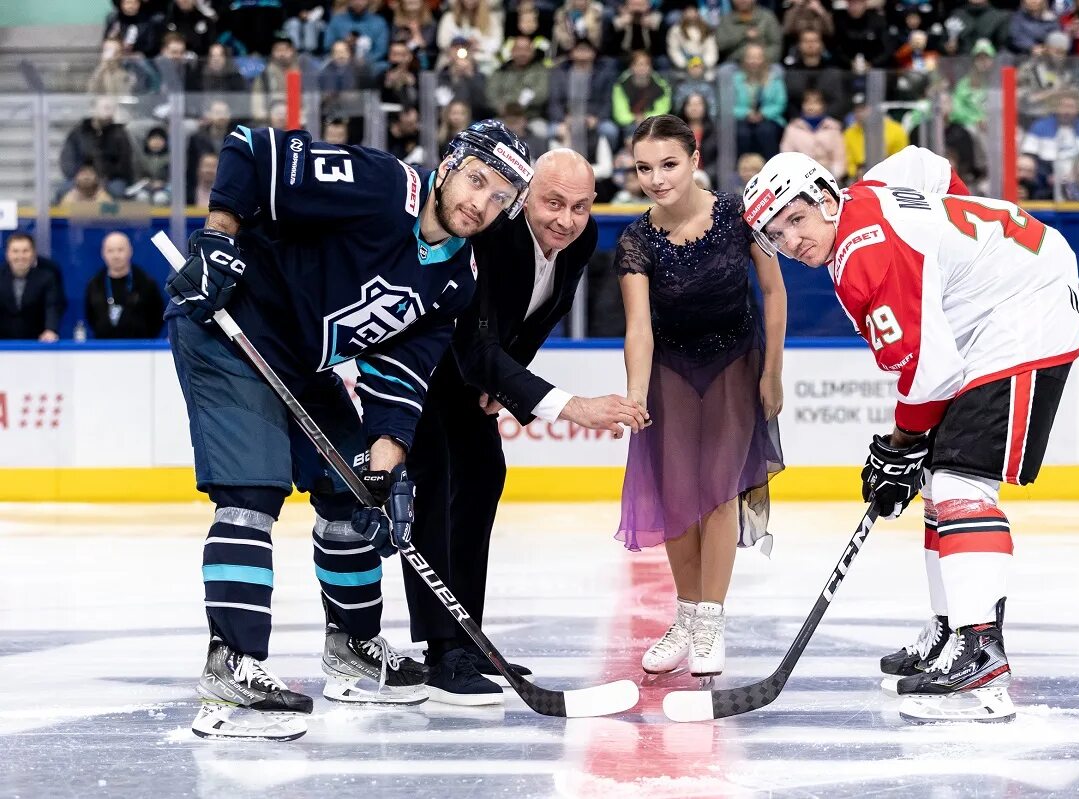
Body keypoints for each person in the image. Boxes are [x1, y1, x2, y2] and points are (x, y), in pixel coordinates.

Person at [163, 119, 535, 740]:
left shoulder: (455, 279)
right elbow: (250, 149)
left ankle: (353, 651)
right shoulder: (382, 185)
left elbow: (401, 374)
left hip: (302, 359)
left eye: (500, 197)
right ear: (449, 165)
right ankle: (232, 670)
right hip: (228, 326)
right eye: (476, 180)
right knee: (253, 494)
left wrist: (385, 465)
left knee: (351, 491)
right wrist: (216, 239)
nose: (481, 203)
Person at [742, 145, 1079, 722]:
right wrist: (963, 241)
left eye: (796, 218)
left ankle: (979, 645)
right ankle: (951, 628)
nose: (792, 241)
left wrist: (898, 447)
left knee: (962, 481)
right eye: (776, 235)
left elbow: (927, 374)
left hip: (1024, 309)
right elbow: (922, 162)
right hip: (999, 303)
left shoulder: (865, 256)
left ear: (827, 199)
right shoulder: (868, 193)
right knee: (941, 483)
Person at [406, 150, 649, 704]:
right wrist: (567, 405)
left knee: (482, 479)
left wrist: (507, 381)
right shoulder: (493, 237)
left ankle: (467, 640)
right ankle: (443, 653)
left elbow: (538, 316)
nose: (565, 219)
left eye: (581, 207)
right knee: (439, 489)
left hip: (476, 375)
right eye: (553, 202)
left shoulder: (580, 242)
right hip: (424, 367)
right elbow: (471, 339)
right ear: (522, 196)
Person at [615, 114, 786, 679]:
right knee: (675, 495)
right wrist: (636, 392)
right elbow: (638, 326)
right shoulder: (636, 240)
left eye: (669, 164)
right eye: (644, 168)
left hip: (736, 360)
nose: (657, 178)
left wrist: (773, 373)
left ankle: (709, 621)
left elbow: (773, 289)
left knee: (718, 490)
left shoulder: (740, 214)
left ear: (694, 158)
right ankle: (686, 618)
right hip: (670, 367)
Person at [84, 232, 165, 339]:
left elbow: (157, 316)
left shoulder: (146, 282)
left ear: (130, 251)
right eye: (110, 251)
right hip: (103, 349)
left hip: (140, 349)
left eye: (120, 250)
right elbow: (90, 316)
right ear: (103, 253)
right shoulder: (95, 284)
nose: (116, 255)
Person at [0, 233, 63, 341]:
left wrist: (50, 329)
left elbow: (51, 306)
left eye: (25, 251)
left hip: (36, 344)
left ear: (33, 254)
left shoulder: (47, 278)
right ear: (8, 254)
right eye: (15, 251)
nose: (20, 256)